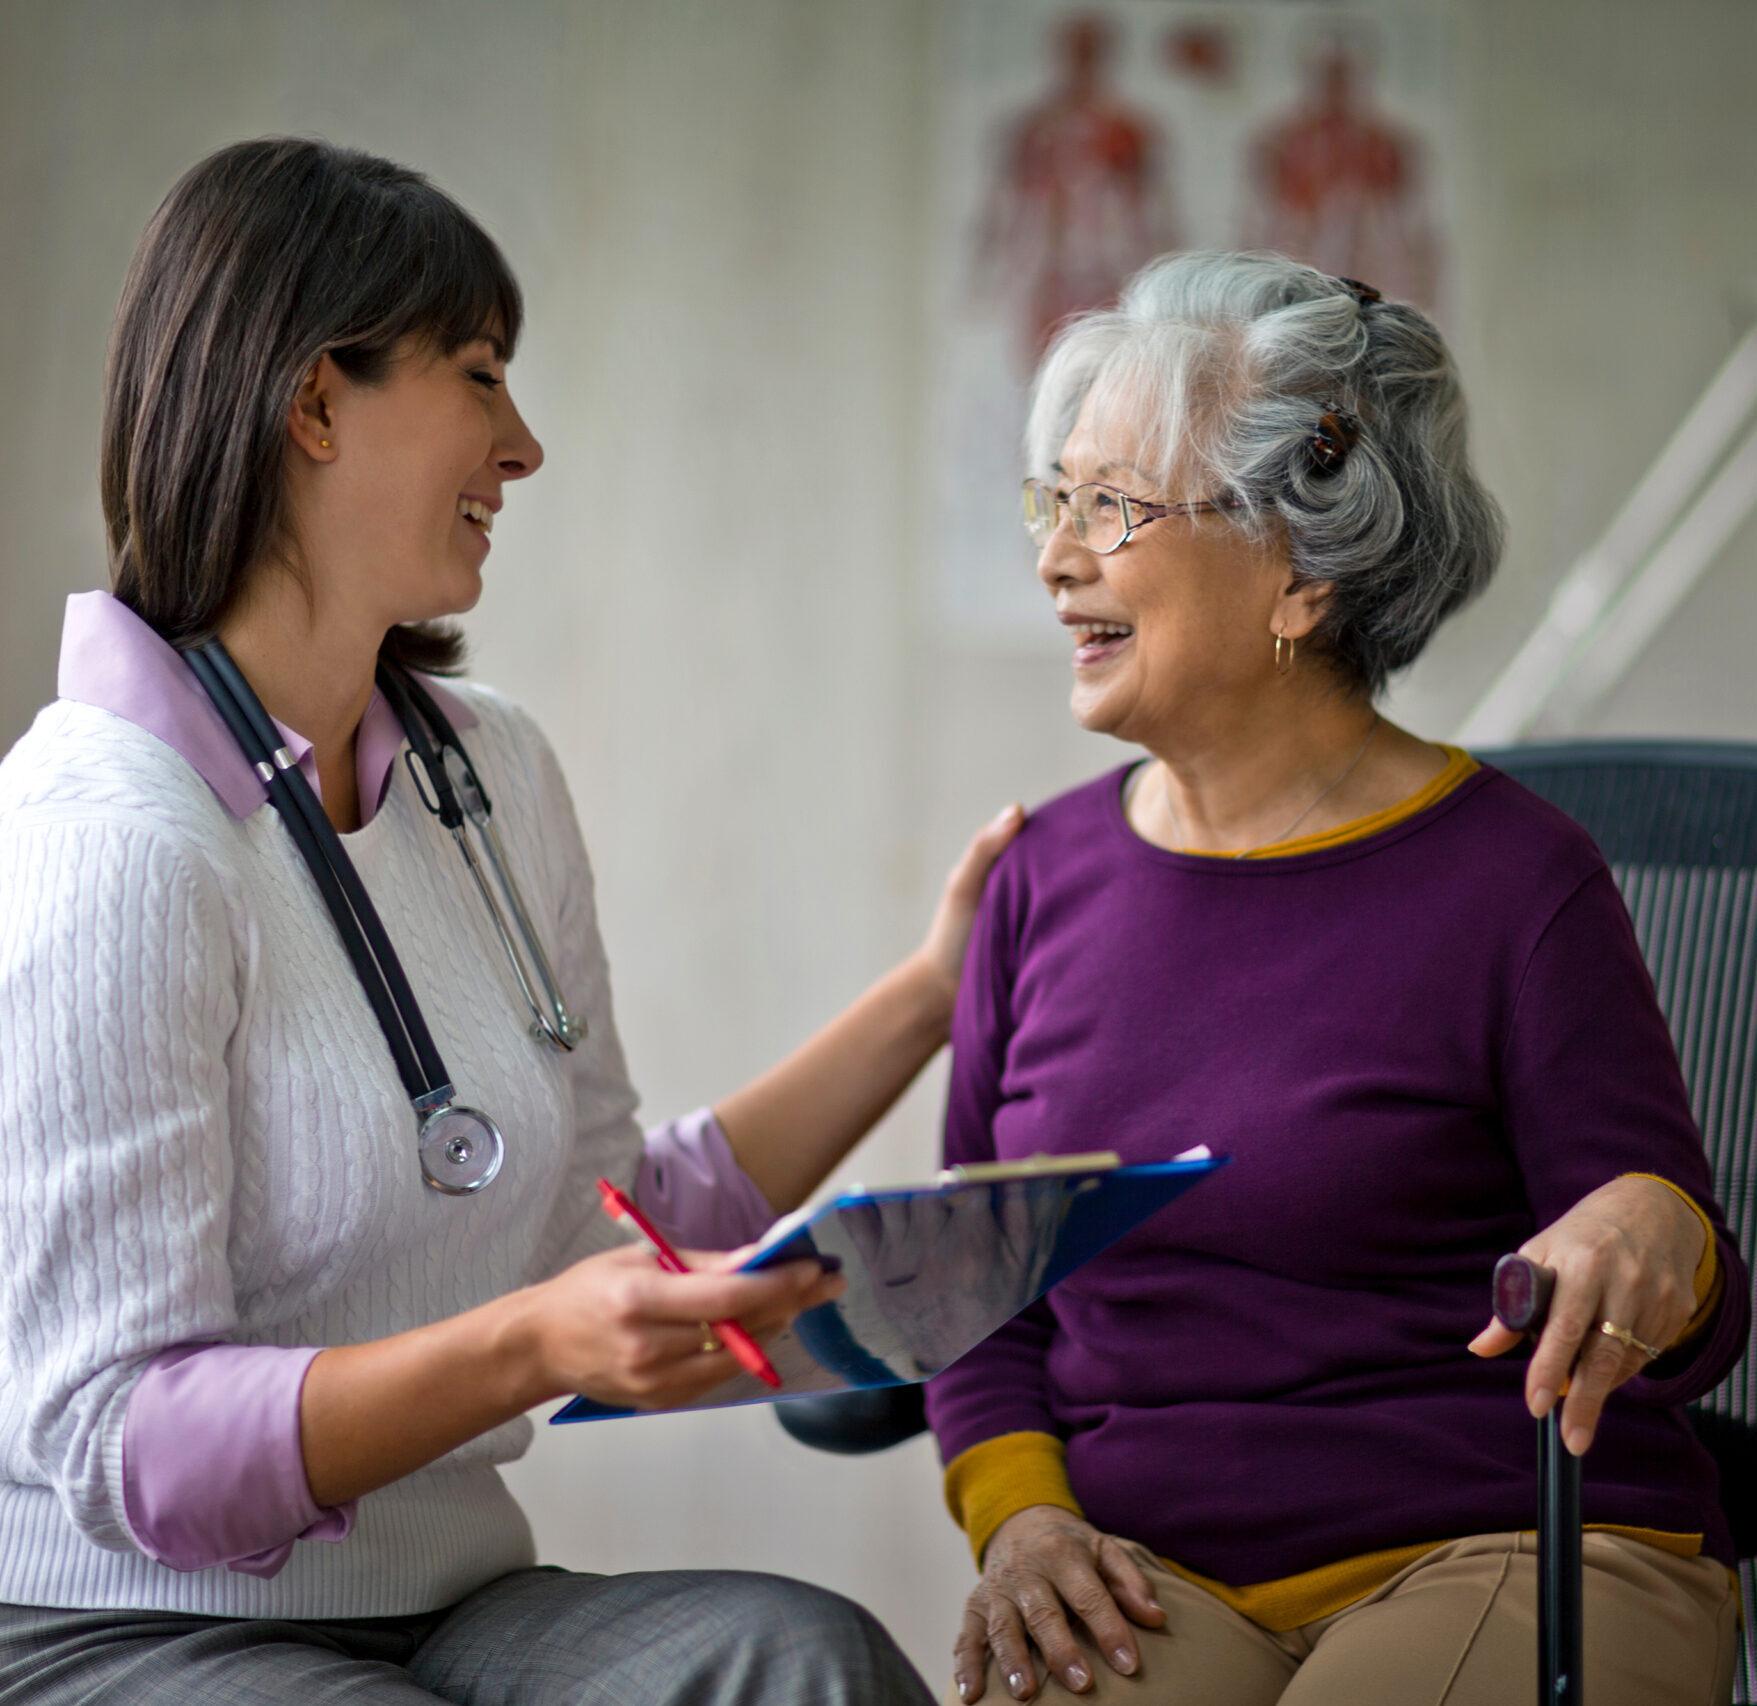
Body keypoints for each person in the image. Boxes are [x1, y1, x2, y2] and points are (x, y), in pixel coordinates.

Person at [0, 137, 1013, 1703]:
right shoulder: (110, 837)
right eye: (478, 373)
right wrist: (532, 1345)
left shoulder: (495, 780)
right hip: (127, 1621)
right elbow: (119, 1440)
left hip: (453, 1599)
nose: (522, 443)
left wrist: (934, 990)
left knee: (799, 1661)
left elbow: (602, 1220)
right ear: (313, 402)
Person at [926, 250, 1746, 1705]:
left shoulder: (1515, 879)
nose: (1055, 555)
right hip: (1145, 1569)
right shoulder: (1032, 886)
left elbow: (1686, 1290)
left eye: (1111, 506)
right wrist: (1023, 1517)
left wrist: (1651, 1223)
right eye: (1052, 500)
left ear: (1300, 573)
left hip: (1505, 1531)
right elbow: (977, 1299)